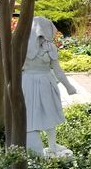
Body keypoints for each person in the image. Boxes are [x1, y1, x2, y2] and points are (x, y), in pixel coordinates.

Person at [23, 16, 77, 157]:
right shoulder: (27, 47)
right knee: (36, 113)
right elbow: (57, 71)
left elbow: (57, 70)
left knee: (48, 112)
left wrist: (68, 86)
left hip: (38, 82)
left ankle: (52, 145)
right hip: (35, 82)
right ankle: (37, 149)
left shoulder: (41, 47)